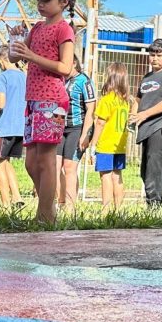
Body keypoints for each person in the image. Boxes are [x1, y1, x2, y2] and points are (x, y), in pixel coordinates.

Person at [10, 0, 75, 225]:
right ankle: (48, 207)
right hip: (33, 101)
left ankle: (46, 215)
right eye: (38, 0)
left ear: (64, 1)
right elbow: (16, 56)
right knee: (30, 162)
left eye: (46, 0)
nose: (40, 5)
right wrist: (14, 40)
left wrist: (33, 57)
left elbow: (66, 68)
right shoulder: (36, 29)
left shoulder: (64, 30)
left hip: (52, 100)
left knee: (47, 159)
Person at [129, 38, 162, 207]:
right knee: (146, 171)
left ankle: (155, 208)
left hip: (161, 127)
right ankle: (151, 204)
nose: (155, 58)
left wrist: (145, 114)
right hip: (146, 128)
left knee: (156, 170)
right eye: (152, 54)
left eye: (159, 54)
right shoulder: (147, 77)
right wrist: (133, 115)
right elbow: (138, 98)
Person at [0, 44, 27, 208]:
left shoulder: (2, 77)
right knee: (7, 162)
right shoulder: (24, 77)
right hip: (20, 128)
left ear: (0, 60)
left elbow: (1, 103)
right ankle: (17, 197)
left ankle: (5, 202)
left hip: (4, 127)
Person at [94, 62, 135, 209]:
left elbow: (100, 123)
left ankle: (105, 209)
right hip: (120, 145)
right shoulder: (125, 102)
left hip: (106, 144)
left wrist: (94, 143)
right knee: (117, 176)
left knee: (105, 176)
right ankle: (118, 209)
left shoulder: (107, 100)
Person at [58, 53, 95, 210]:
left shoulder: (84, 81)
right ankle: (60, 201)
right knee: (54, 165)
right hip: (59, 128)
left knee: (69, 167)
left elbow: (91, 108)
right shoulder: (60, 80)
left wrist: (85, 134)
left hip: (77, 128)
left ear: (73, 63)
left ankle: (70, 207)